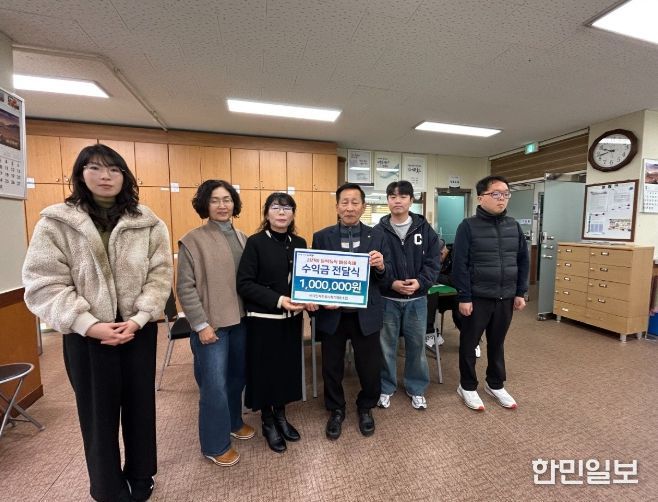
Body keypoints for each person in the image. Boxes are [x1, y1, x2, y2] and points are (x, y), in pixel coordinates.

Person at [22, 144, 173, 502]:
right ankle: (107, 488)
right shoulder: (56, 223)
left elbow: (160, 274)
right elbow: (43, 283)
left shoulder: (148, 222)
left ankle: (142, 474)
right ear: (80, 175)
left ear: (125, 176)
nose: (105, 176)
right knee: (98, 416)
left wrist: (139, 318)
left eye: (114, 169)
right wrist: (88, 324)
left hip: (137, 331)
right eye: (94, 168)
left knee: (140, 408)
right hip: (87, 337)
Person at [176, 180, 254, 468]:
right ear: (204, 205)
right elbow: (184, 288)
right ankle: (214, 444)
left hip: (241, 322)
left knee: (237, 379)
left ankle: (233, 422)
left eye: (227, 199)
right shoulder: (192, 240)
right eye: (215, 200)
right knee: (214, 386)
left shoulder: (244, 238)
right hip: (212, 327)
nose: (222, 205)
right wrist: (200, 325)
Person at [312, 183, 388, 440]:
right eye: (344, 202)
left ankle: (366, 406)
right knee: (331, 366)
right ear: (337, 207)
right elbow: (316, 275)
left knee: (369, 366)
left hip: (365, 314)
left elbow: (385, 278)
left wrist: (381, 267)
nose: (349, 207)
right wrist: (322, 299)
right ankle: (336, 409)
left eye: (355, 202)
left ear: (363, 207)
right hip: (333, 314)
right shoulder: (322, 237)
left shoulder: (377, 236)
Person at [236, 192, 310, 453]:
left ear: (293, 214)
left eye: (287, 208)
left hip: (292, 320)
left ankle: (281, 415)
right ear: (266, 213)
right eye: (276, 207)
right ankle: (268, 421)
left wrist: (310, 299)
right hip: (264, 320)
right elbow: (245, 283)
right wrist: (278, 300)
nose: (281, 212)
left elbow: (305, 280)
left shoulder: (299, 242)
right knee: (265, 371)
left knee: (286, 370)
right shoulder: (255, 242)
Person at [452, 175, 529, 411]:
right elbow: (459, 264)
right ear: (481, 197)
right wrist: (464, 296)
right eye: (495, 194)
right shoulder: (468, 226)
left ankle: (495, 384)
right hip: (477, 297)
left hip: (505, 296)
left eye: (505, 194)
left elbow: (523, 260)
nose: (501, 199)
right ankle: (467, 386)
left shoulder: (513, 226)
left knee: (497, 342)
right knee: (469, 343)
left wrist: (520, 292)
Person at [375, 180, 440, 410]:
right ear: (387, 200)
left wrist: (420, 282)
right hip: (387, 300)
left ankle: (416, 388)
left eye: (403, 196)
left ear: (411, 200)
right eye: (393, 196)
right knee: (385, 347)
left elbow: (434, 262)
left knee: (416, 347)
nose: (397, 201)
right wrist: (391, 283)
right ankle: (385, 387)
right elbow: (375, 266)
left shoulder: (425, 229)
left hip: (417, 300)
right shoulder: (377, 232)